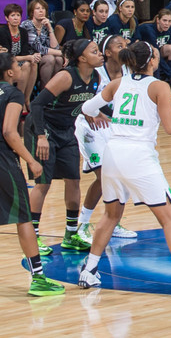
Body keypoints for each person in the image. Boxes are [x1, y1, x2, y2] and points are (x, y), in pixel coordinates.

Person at [76, 40, 171, 295]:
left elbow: (87, 108)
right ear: (151, 61)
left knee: (110, 215)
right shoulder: (159, 86)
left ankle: (89, 270)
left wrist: (105, 116)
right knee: (169, 218)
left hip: (113, 154)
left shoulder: (118, 83)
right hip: (139, 156)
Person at [0, 52, 65, 298]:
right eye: (18, 64)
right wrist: (31, 160)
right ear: (9, 73)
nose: (21, 67)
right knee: (23, 217)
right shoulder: (13, 93)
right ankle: (38, 279)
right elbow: (9, 131)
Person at [27, 39, 104, 257]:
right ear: (81, 58)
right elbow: (37, 104)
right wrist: (41, 136)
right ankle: (33, 236)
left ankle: (71, 234)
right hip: (43, 129)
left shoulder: (95, 77)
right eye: (95, 51)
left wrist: (91, 113)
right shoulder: (66, 76)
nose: (100, 54)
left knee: (74, 179)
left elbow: (79, 102)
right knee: (43, 183)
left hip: (66, 130)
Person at [73, 35, 139, 246]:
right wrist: (94, 111)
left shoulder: (129, 72)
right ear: (108, 52)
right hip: (90, 125)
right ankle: (81, 225)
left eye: (126, 45)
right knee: (103, 176)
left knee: (122, 176)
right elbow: (83, 96)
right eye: (120, 46)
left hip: (113, 126)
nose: (125, 48)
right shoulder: (96, 73)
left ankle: (113, 222)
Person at [0, 3, 40, 103]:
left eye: (18, 15)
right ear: (7, 18)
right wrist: (28, 57)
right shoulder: (2, 32)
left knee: (32, 64)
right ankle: (19, 99)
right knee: (26, 64)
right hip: (3, 61)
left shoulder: (23, 32)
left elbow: (24, 51)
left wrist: (32, 57)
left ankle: (27, 99)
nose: (16, 18)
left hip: (18, 59)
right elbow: (7, 56)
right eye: (12, 15)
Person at [22, 0, 63, 88]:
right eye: (37, 8)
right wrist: (63, 53)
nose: (41, 11)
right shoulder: (27, 25)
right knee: (50, 59)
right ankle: (45, 91)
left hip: (41, 56)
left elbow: (55, 47)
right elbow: (40, 48)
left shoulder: (45, 26)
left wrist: (50, 29)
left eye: (43, 8)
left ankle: (55, 90)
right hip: (29, 56)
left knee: (59, 60)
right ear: (32, 12)